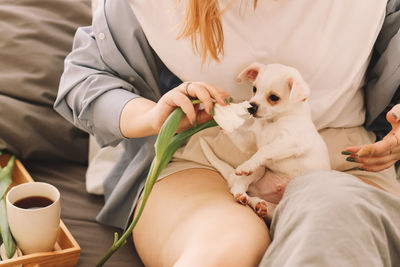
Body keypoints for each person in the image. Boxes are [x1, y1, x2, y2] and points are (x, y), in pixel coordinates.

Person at [54, 0, 400, 266]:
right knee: (223, 250)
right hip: (207, 159)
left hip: (344, 160)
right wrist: (153, 115)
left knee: (332, 219)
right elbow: (87, 79)